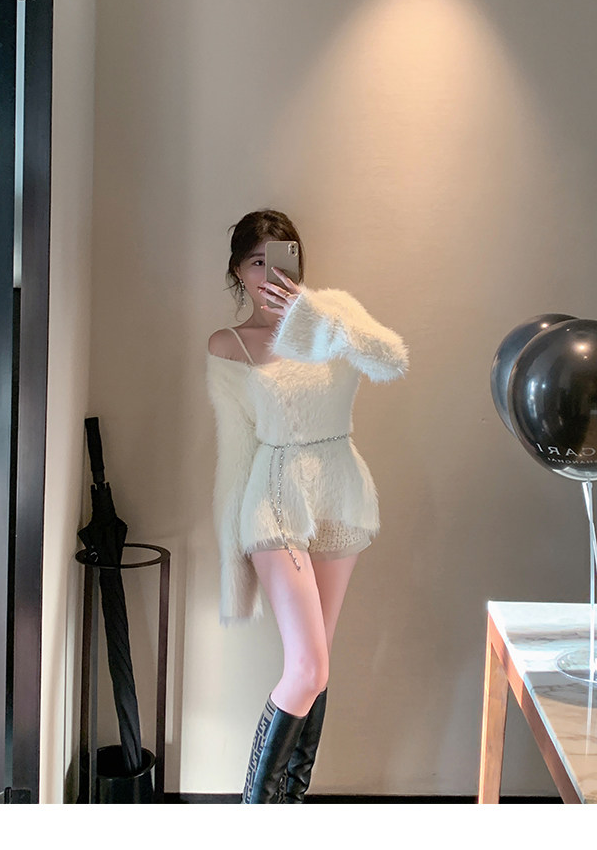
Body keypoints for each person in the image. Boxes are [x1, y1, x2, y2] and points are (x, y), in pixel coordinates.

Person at [206, 209, 408, 803]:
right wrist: (232, 565)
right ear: (238, 272)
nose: (270, 275)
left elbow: (391, 360)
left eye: (281, 259)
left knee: (317, 670)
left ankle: (289, 808)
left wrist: (316, 316)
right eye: (256, 262)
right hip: (273, 498)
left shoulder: (333, 315)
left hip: (340, 496)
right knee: (308, 669)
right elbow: (235, 452)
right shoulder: (229, 346)